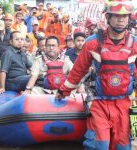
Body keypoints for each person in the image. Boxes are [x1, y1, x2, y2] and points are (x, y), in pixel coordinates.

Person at [56, 0, 137, 150]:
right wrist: (63, 90)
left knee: (122, 146)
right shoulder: (92, 43)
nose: (121, 20)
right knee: (100, 145)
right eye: (116, 16)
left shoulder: (135, 44)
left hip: (124, 103)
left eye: (125, 16)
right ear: (108, 17)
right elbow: (78, 70)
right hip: (99, 102)